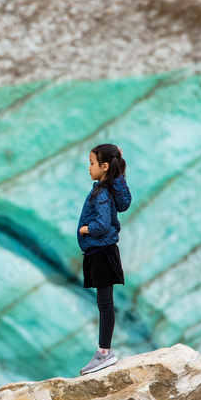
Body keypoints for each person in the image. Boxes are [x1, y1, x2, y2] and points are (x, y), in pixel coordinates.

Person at [77, 143, 131, 375]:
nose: (89, 168)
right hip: (101, 252)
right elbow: (124, 203)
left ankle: (104, 353)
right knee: (104, 303)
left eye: (92, 163)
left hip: (101, 251)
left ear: (104, 166)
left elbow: (103, 224)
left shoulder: (101, 193)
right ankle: (104, 351)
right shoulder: (106, 189)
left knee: (105, 304)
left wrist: (85, 229)